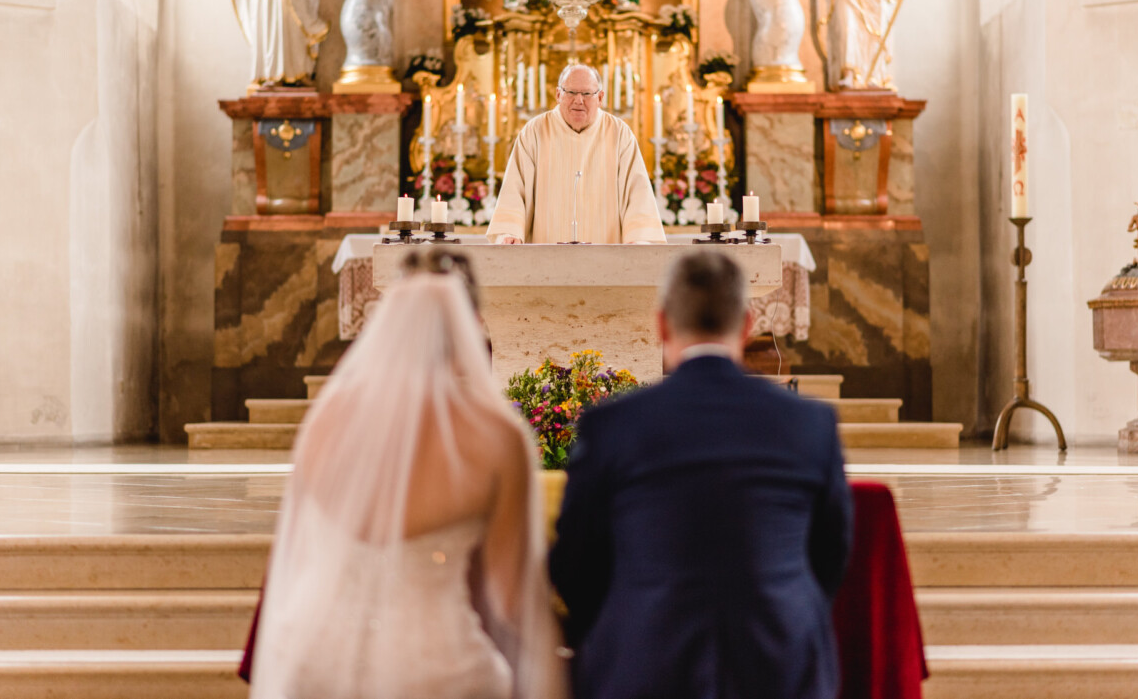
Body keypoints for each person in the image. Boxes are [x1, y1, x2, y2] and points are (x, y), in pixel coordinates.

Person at [248, 248, 568, 699]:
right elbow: (513, 599)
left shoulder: (326, 422)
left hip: (314, 657)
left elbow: (300, 556)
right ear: (471, 323)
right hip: (435, 667)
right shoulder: (495, 438)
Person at [550, 250, 853, 699]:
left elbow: (576, 562)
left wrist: (624, 621)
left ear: (661, 325)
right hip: (779, 662)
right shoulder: (808, 425)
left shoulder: (613, 425)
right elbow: (831, 552)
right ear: (748, 325)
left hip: (645, 661)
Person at [486, 63, 666, 244]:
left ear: (600, 97)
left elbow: (637, 193)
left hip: (607, 259)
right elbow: (515, 190)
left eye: (587, 94)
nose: (579, 100)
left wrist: (639, 239)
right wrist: (510, 232)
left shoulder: (619, 133)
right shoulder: (535, 131)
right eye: (571, 92)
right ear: (558, 94)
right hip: (545, 257)